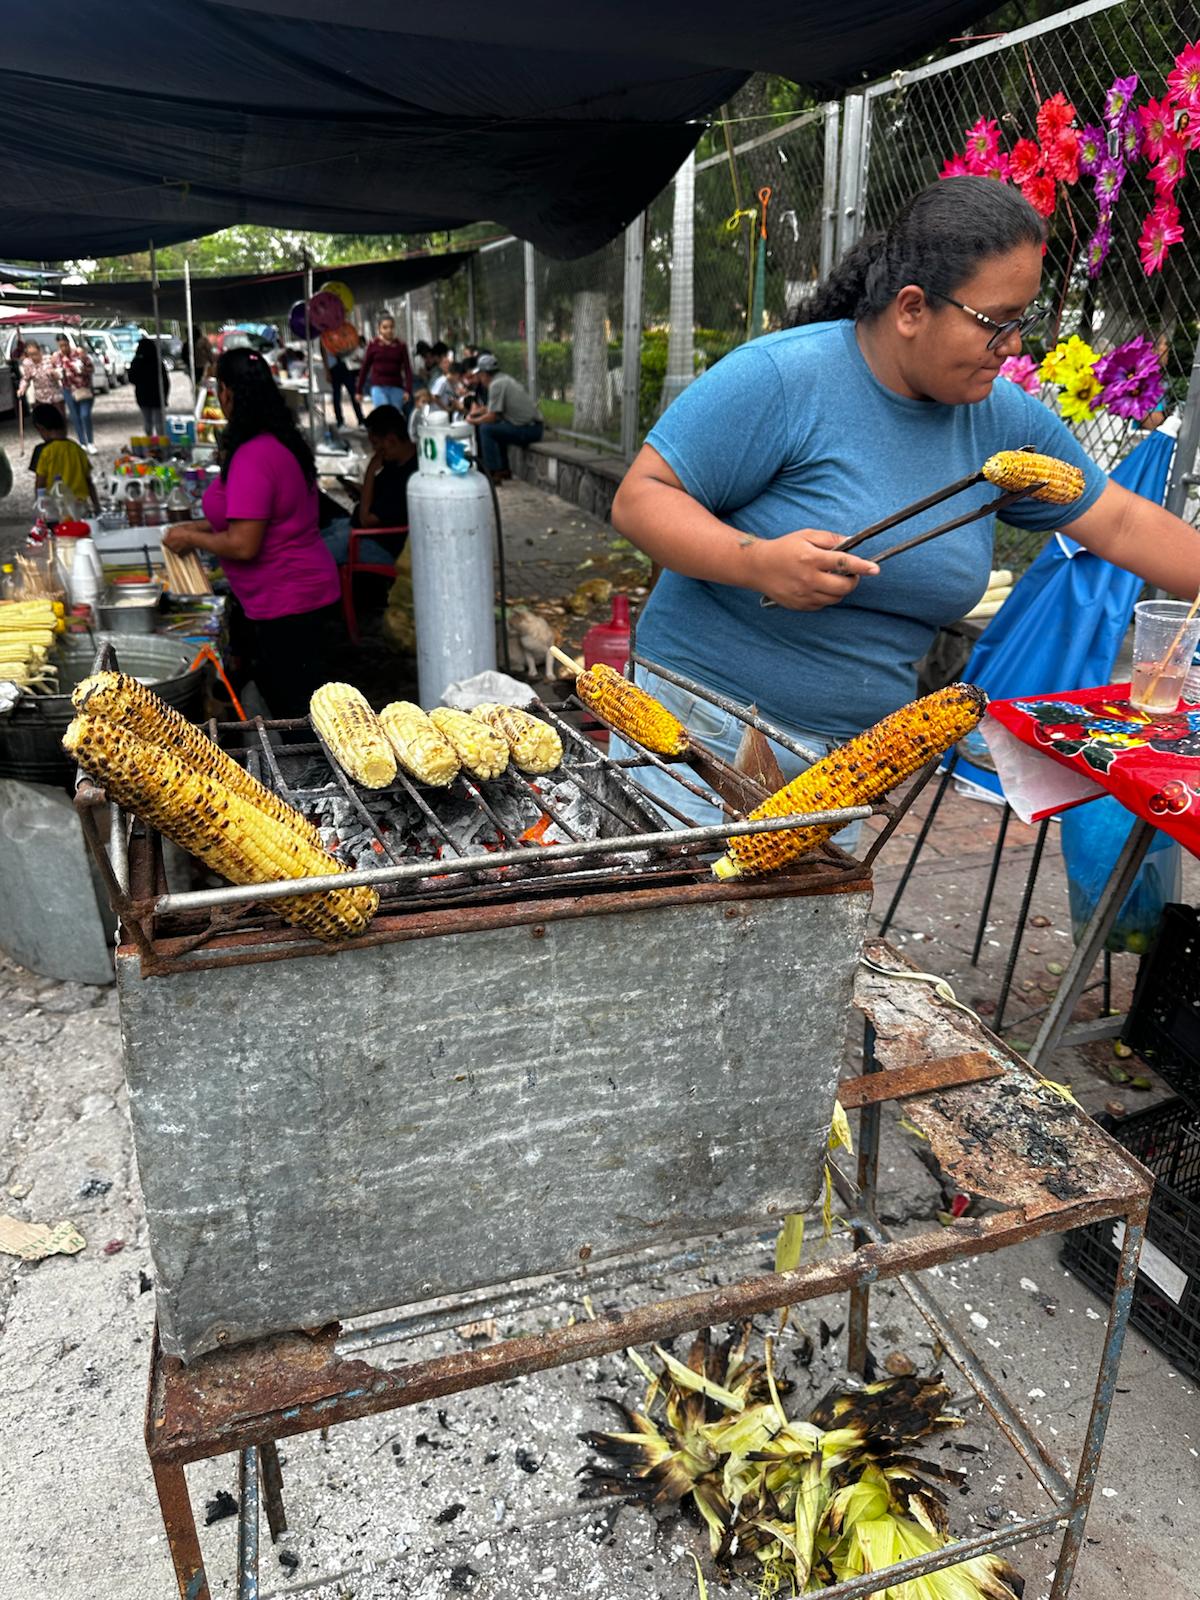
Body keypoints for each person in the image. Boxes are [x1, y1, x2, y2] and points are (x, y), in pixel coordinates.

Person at [611, 176, 1200, 827]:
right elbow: (641, 499)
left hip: (852, 765)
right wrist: (755, 561)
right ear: (913, 309)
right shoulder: (782, 377)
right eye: (994, 324)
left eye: (1023, 321)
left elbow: (1118, 520)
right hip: (700, 733)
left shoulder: (1003, 419)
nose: (1014, 348)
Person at [162, 346, 341, 719]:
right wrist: (194, 527)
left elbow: (244, 544)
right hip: (295, 595)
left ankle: (309, 777)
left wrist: (191, 539)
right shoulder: (280, 441)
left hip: (288, 600)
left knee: (299, 713)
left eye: (218, 390)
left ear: (227, 392)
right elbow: (255, 516)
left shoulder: (253, 455)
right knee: (300, 702)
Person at [321, 405, 417, 568]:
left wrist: (371, 470)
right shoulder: (396, 462)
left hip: (378, 543)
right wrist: (359, 489)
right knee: (313, 538)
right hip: (359, 530)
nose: (375, 450)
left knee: (311, 555)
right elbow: (377, 497)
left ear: (391, 440)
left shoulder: (409, 477)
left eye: (376, 444)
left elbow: (367, 520)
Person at [466, 353, 543, 483]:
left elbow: (492, 417)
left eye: (479, 375)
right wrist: (476, 412)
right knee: (497, 428)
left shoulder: (496, 385)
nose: (479, 378)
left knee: (486, 429)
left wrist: (472, 421)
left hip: (529, 430)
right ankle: (503, 469)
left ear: (485, 374)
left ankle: (493, 472)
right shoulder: (503, 379)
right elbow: (492, 408)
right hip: (534, 427)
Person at [28, 402, 99, 514]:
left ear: (40, 428)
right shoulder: (77, 448)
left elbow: (40, 484)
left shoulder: (42, 451)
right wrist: (97, 507)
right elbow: (88, 481)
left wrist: (40, 507)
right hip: (80, 506)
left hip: (55, 508)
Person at [358, 315, 413, 411]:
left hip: (396, 388)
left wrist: (408, 390)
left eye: (391, 327)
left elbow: (408, 369)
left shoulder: (401, 346)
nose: (388, 330)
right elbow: (365, 368)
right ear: (379, 329)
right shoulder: (373, 345)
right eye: (385, 327)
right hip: (378, 387)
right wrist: (359, 390)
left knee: (394, 417)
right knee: (383, 415)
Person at [52, 332, 95, 451]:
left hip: (83, 388)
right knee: (75, 416)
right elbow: (53, 373)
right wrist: (56, 374)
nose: (64, 348)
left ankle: (90, 441)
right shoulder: (56, 357)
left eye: (65, 345)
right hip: (68, 389)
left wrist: (82, 369)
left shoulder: (79, 353)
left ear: (69, 343)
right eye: (61, 346)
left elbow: (91, 368)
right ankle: (82, 442)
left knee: (85, 415)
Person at [127, 336, 170, 435]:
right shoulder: (158, 362)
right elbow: (166, 381)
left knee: (147, 421)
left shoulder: (137, 362)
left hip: (142, 395)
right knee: (159, 422)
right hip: (157, 395)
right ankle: (161, 442)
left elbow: (131, 378)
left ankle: (149, 443)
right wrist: (165, 396)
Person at [323, 334, 365, 430]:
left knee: (353, 393)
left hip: (345, 366)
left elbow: (347, 350)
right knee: (337, 396)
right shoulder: (325, 337)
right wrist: (327, 371)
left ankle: (361, 420)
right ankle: (340, 422)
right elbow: (325, 354)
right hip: (334, 368)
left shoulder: (343, 333)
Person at [17, 341, 64, 419]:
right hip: (41, 398)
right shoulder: (28, 364)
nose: (33, 357)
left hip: (55, 398)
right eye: (30, 355)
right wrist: (22, 389)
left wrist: (55, 374)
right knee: (45, 424)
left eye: (35, 353)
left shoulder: (50, 359)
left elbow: (61, 374)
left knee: (59, 424)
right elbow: (26, 379)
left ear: (40, 351)